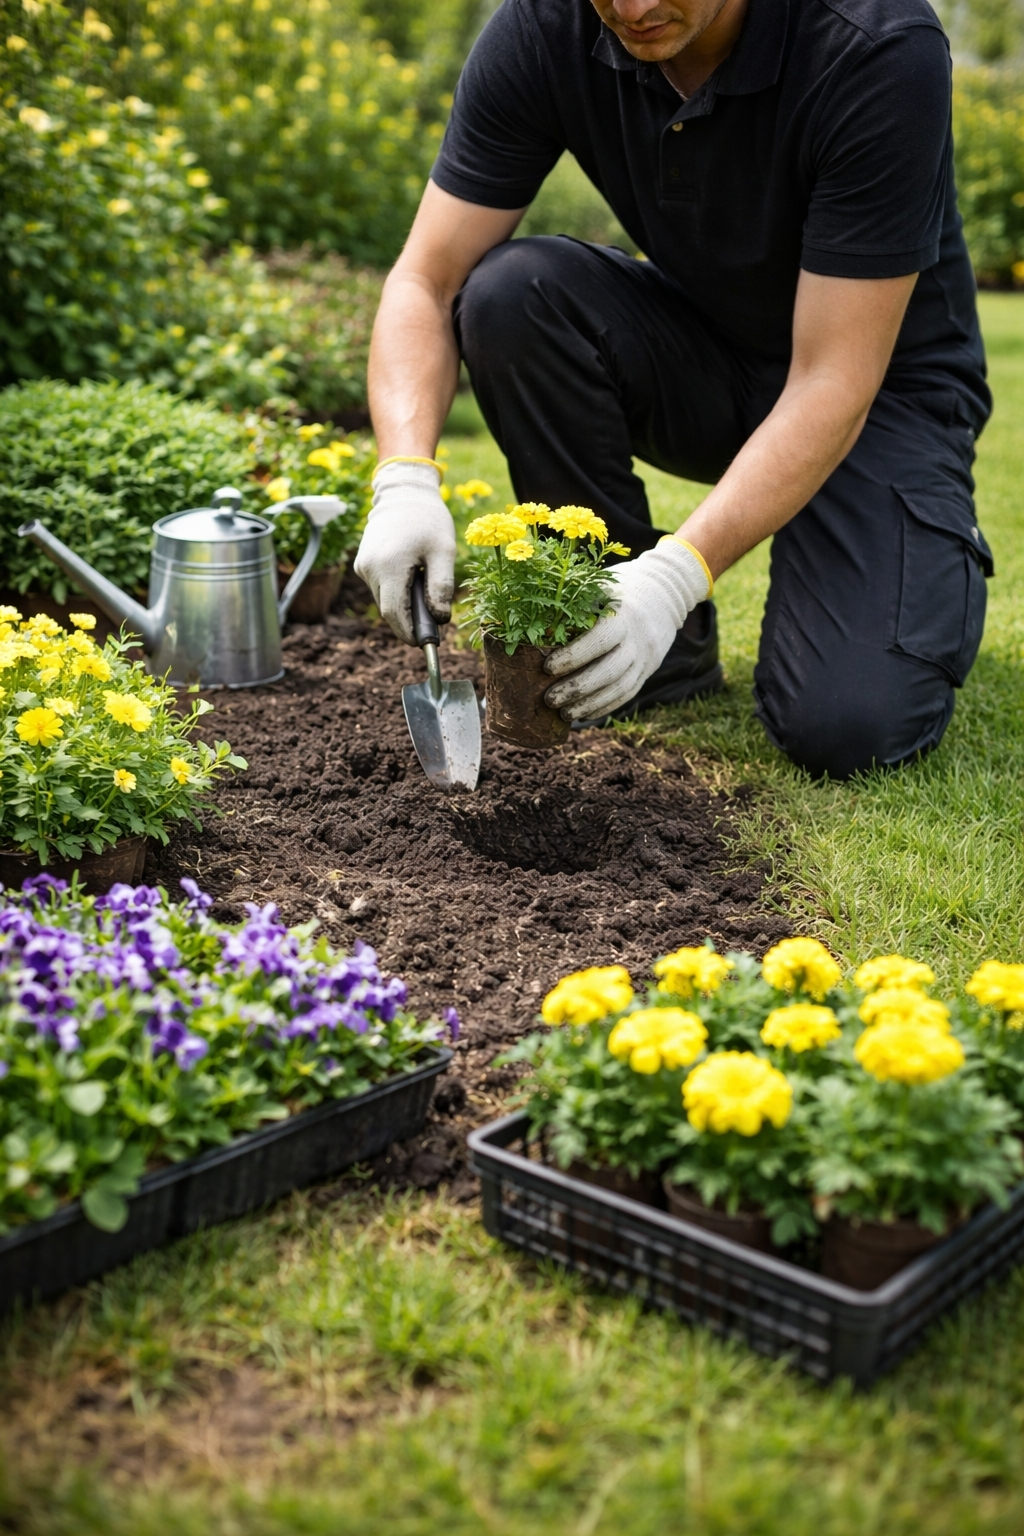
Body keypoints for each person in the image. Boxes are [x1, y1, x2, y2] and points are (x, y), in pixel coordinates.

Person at [354, 0, 993, 779]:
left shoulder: (874, 45)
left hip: (876, 392)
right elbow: (426, 279)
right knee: (511, 292)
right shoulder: (547, 26)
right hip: (707, 356)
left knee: (848, 723)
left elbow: (833, 378)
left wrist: (675, 576)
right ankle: (647, 653)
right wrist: (405, 479)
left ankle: (662, 604)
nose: (635, 7)